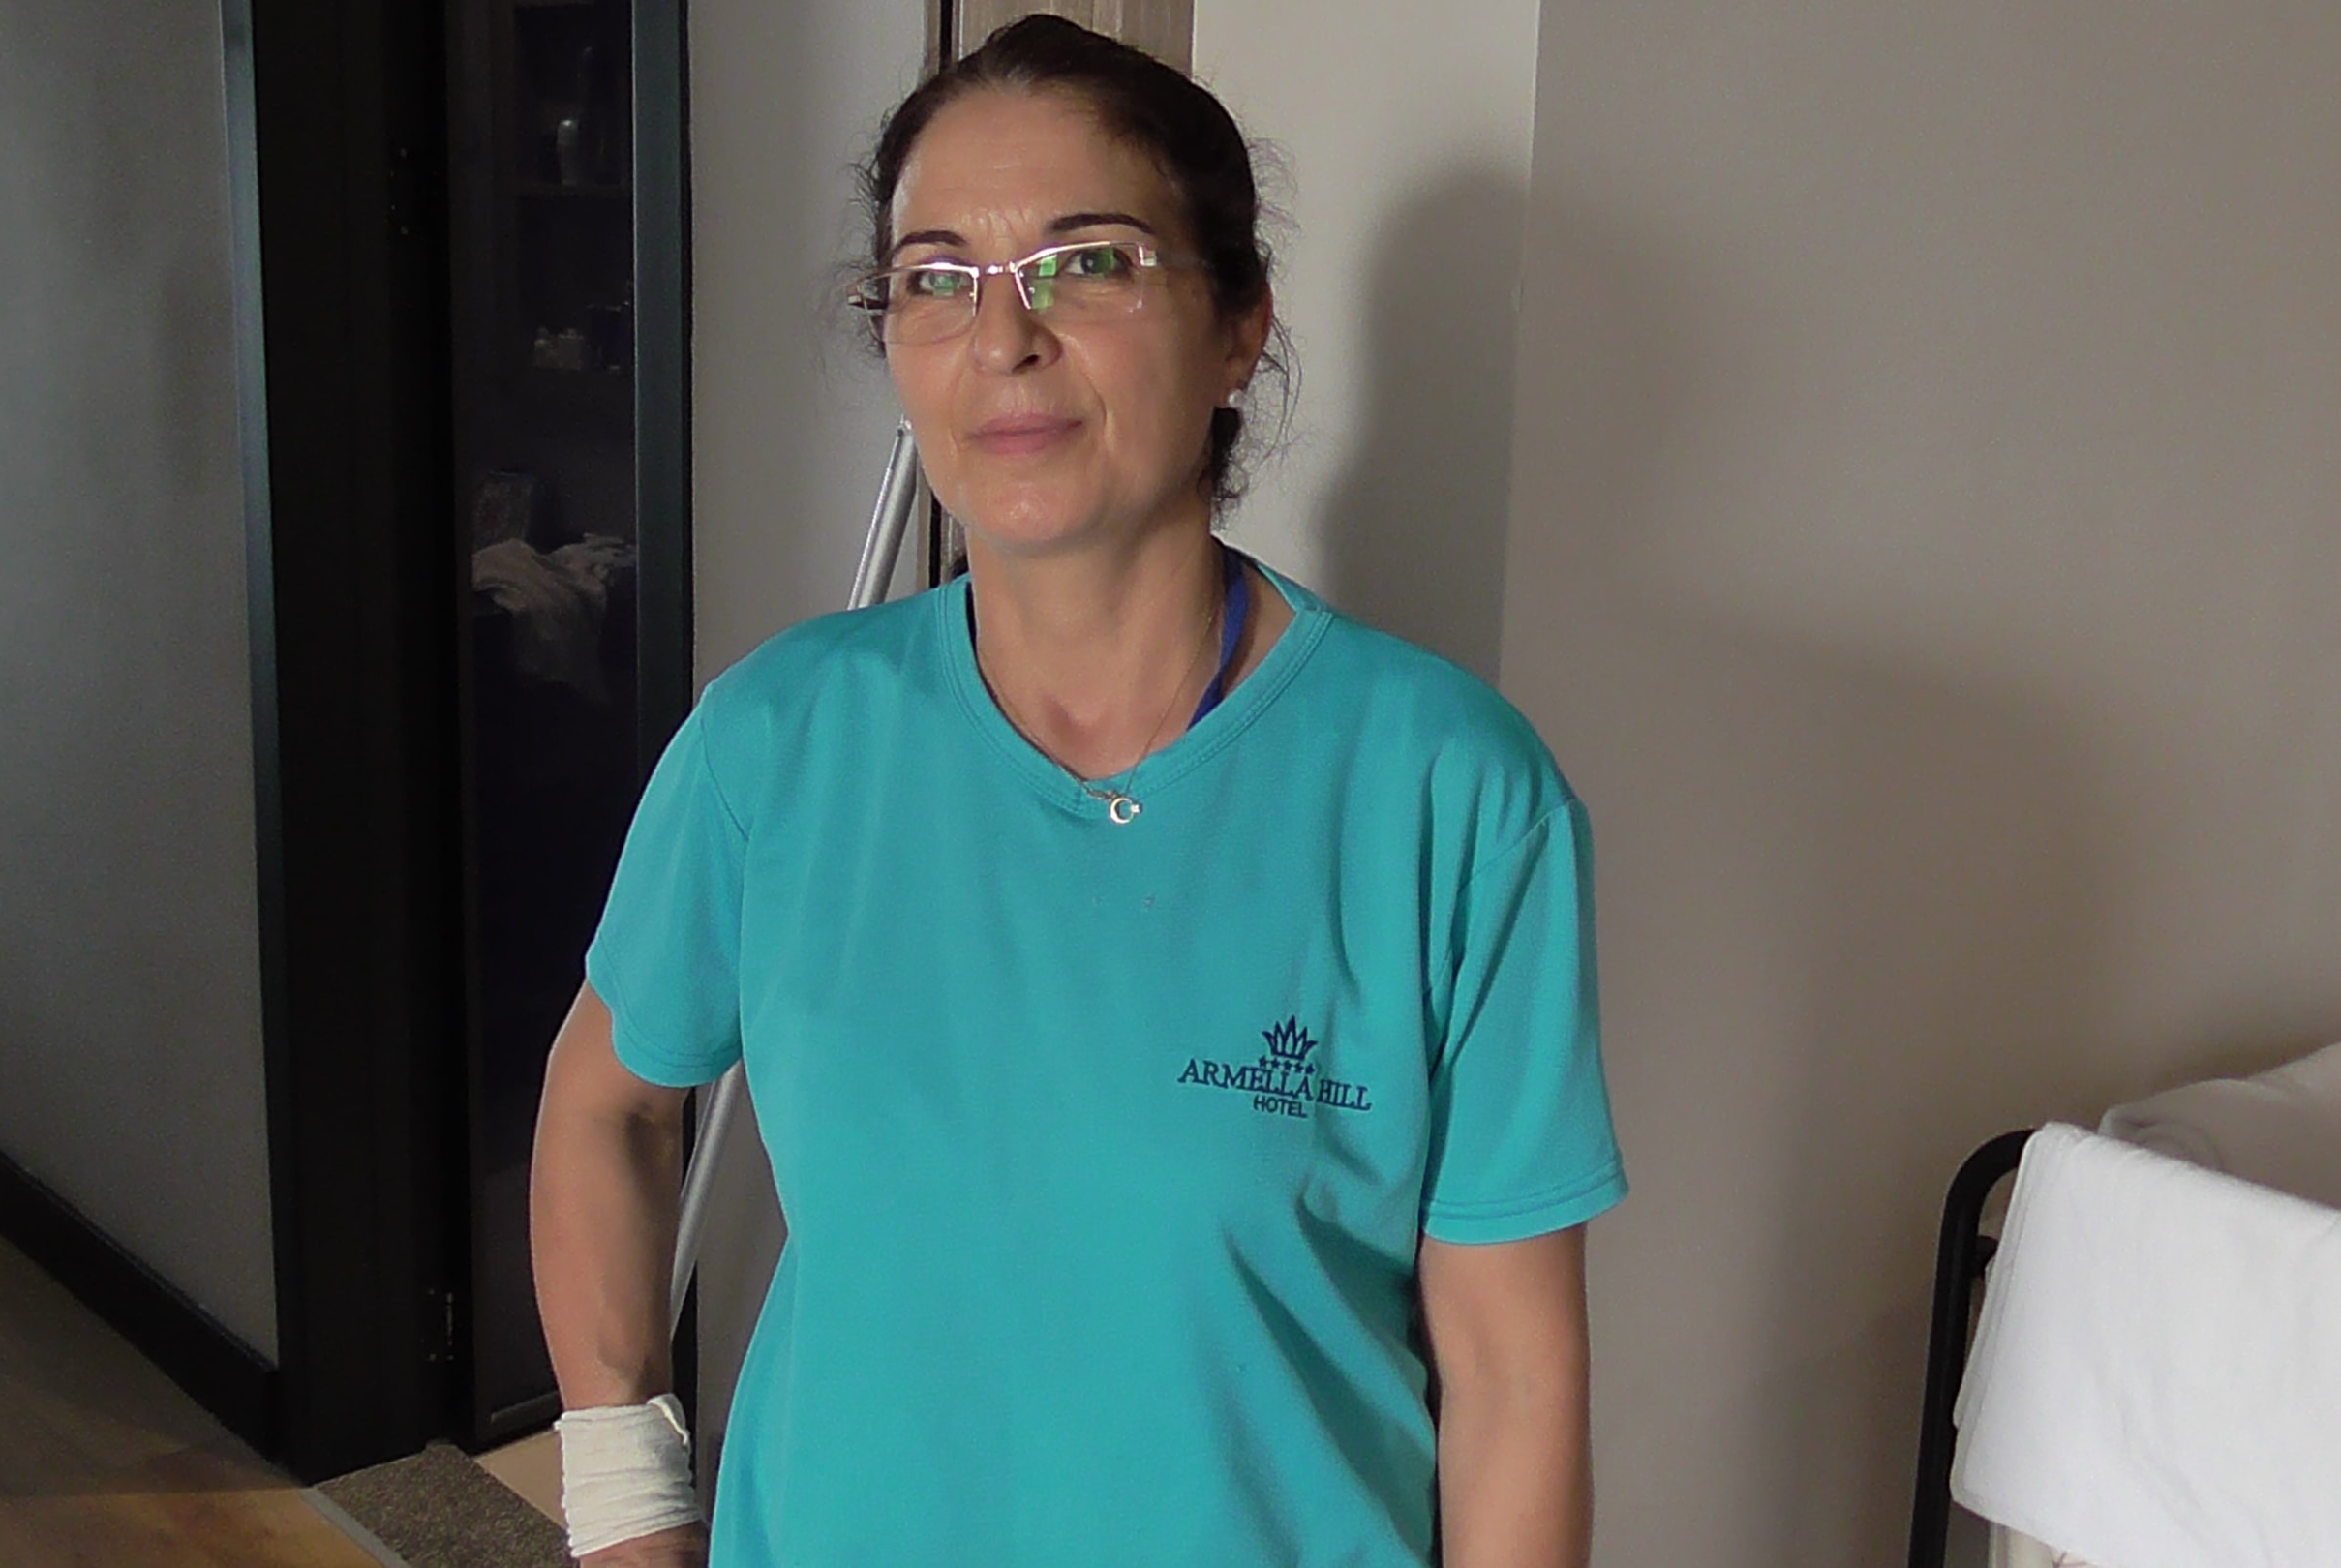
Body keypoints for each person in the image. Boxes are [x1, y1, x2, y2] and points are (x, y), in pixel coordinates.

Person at [527, 16, 1627, 1567]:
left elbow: (1513, 1376)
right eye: (937, 278)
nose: (1004, 338)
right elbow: (606, 1107)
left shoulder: (1448, 794)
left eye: (1087, 262)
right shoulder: (780, 741)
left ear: (1238, 325)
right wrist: (626, 1503)